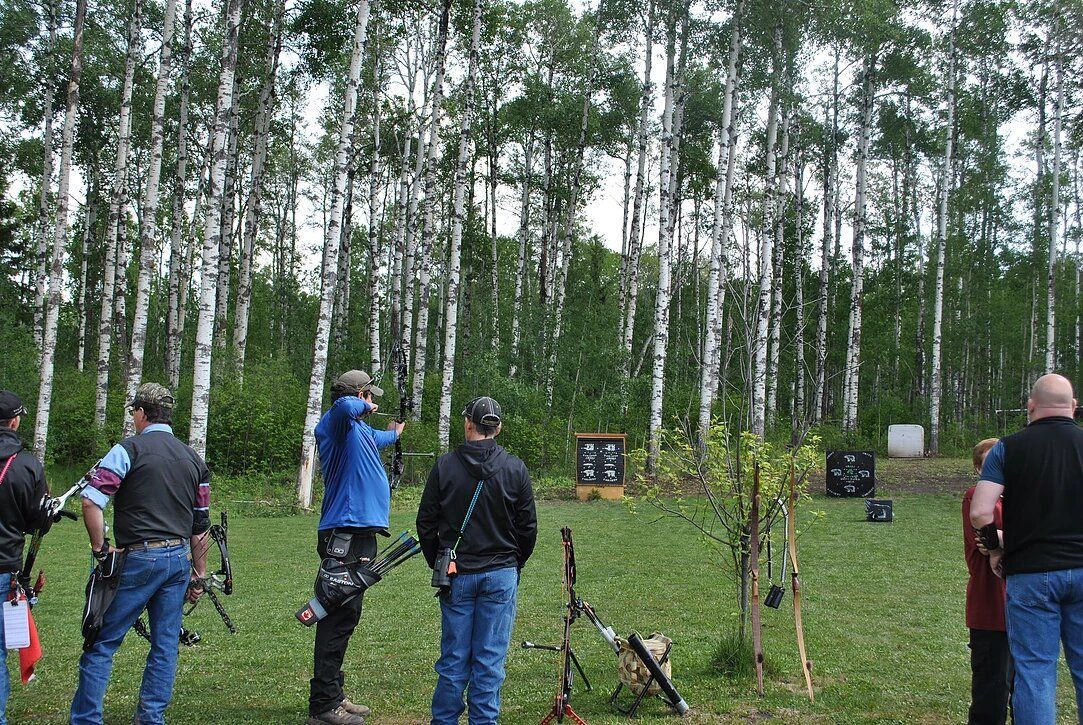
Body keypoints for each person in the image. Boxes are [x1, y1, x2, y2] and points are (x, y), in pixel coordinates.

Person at [70, 383, 211, 725]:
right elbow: (200, 524)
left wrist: (100, 548)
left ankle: (86, 719)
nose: (133, 417)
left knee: (101, 642)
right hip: (178, 559)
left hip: (137, 558)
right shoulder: (194, 459)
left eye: (134, 411)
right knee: (164, 647)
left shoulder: (127, 450)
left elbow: (91, 500)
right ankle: (151, 719)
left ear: (142, 413)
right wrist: (200, 573)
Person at [417, 396, 537, 725]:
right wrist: (514, 564)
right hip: (500, 574)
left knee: (454, 659)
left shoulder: (445, 465)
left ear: (469, 423)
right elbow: (527, 529)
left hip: (458, 573)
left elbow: (426, 523)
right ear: (497, 428)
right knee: (489, 660)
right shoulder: (515, 468)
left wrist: (440, 561)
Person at [972, 373, 1083, 724]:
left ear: (1030, 406)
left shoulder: (1006, 447)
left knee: (1035, 673)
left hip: (1031, 574)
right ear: (1074, 407)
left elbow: (980, 511)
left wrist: (993, 548)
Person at [308, 370, 404, 725]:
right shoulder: (337, 424)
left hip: (359, 535)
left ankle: (334, 694)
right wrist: (362, 403)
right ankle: (322, 707)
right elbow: (344, 407)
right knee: (335, 616)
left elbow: (380, 437)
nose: (369, 402)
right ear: (358, 394)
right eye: (367, 395)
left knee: (346, 616)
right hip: (342, 536)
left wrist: (395, 432)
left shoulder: (360, 431)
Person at [0, 392, 47, 724]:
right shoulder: (28, 465)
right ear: (14, 422)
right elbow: (36, 520)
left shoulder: (27, 463)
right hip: (5, 567)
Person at [963, 437, 1011, 725]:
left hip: (1024, 606)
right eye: (991, 464)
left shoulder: (1024, 498)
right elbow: (986, 541)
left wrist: (1005, 539)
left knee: (1024, 684)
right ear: (980, 471)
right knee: (991, 687)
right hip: (990, 607)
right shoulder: (975, 498)